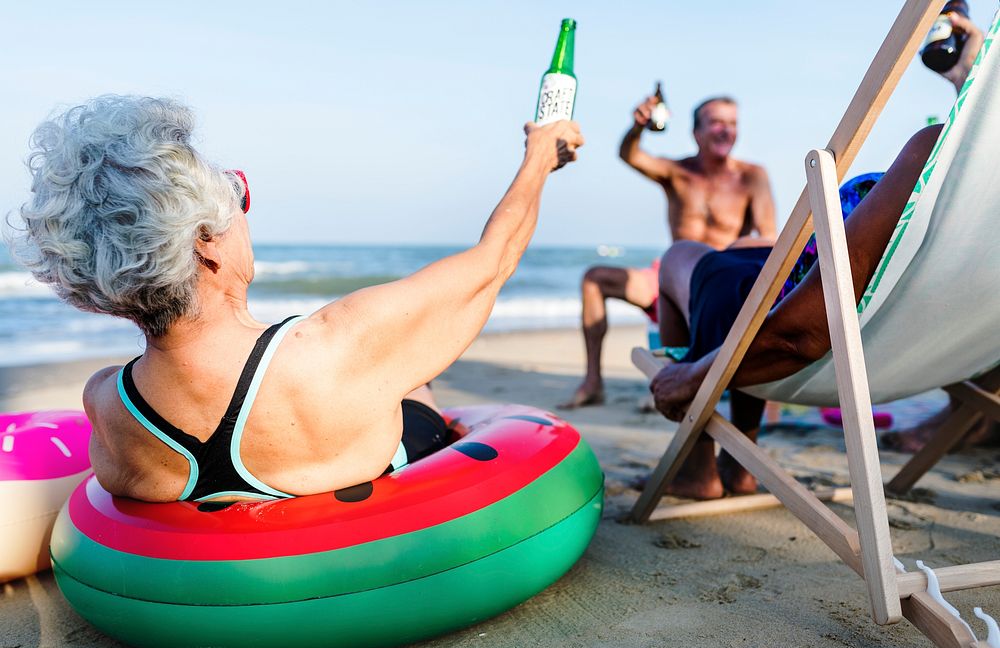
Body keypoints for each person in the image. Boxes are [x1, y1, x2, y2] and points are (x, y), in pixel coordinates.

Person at [9, 95, 584, 502]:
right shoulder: (334, 348)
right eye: (236, 194)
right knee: (415, 383)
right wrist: (539, 157)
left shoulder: (106, 403)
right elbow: (495, 259)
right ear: (205, 243)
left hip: (182, 455)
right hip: (351, 461)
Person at [647, 13, 983, 499]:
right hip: (923, 351)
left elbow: (798, 335)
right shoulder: (978, 210)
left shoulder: (928, 152)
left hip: (818, 338)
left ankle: (699, 465)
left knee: (698, 262)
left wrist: (695, 376)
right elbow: (976, 155)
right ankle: (737, 465)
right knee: (741, 259)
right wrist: (964, 72)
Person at [559, 95, 776, 409]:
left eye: (732, 124)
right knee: (595, 279)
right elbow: (629, 154)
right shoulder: (677, 172)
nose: (725, 131)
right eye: (716, 122)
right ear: (695, 133)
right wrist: (637, 128)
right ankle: (593, 381)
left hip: (720, 284)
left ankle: (709, 382)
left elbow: (768, 239)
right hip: (671, 282)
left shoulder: (751, 177)